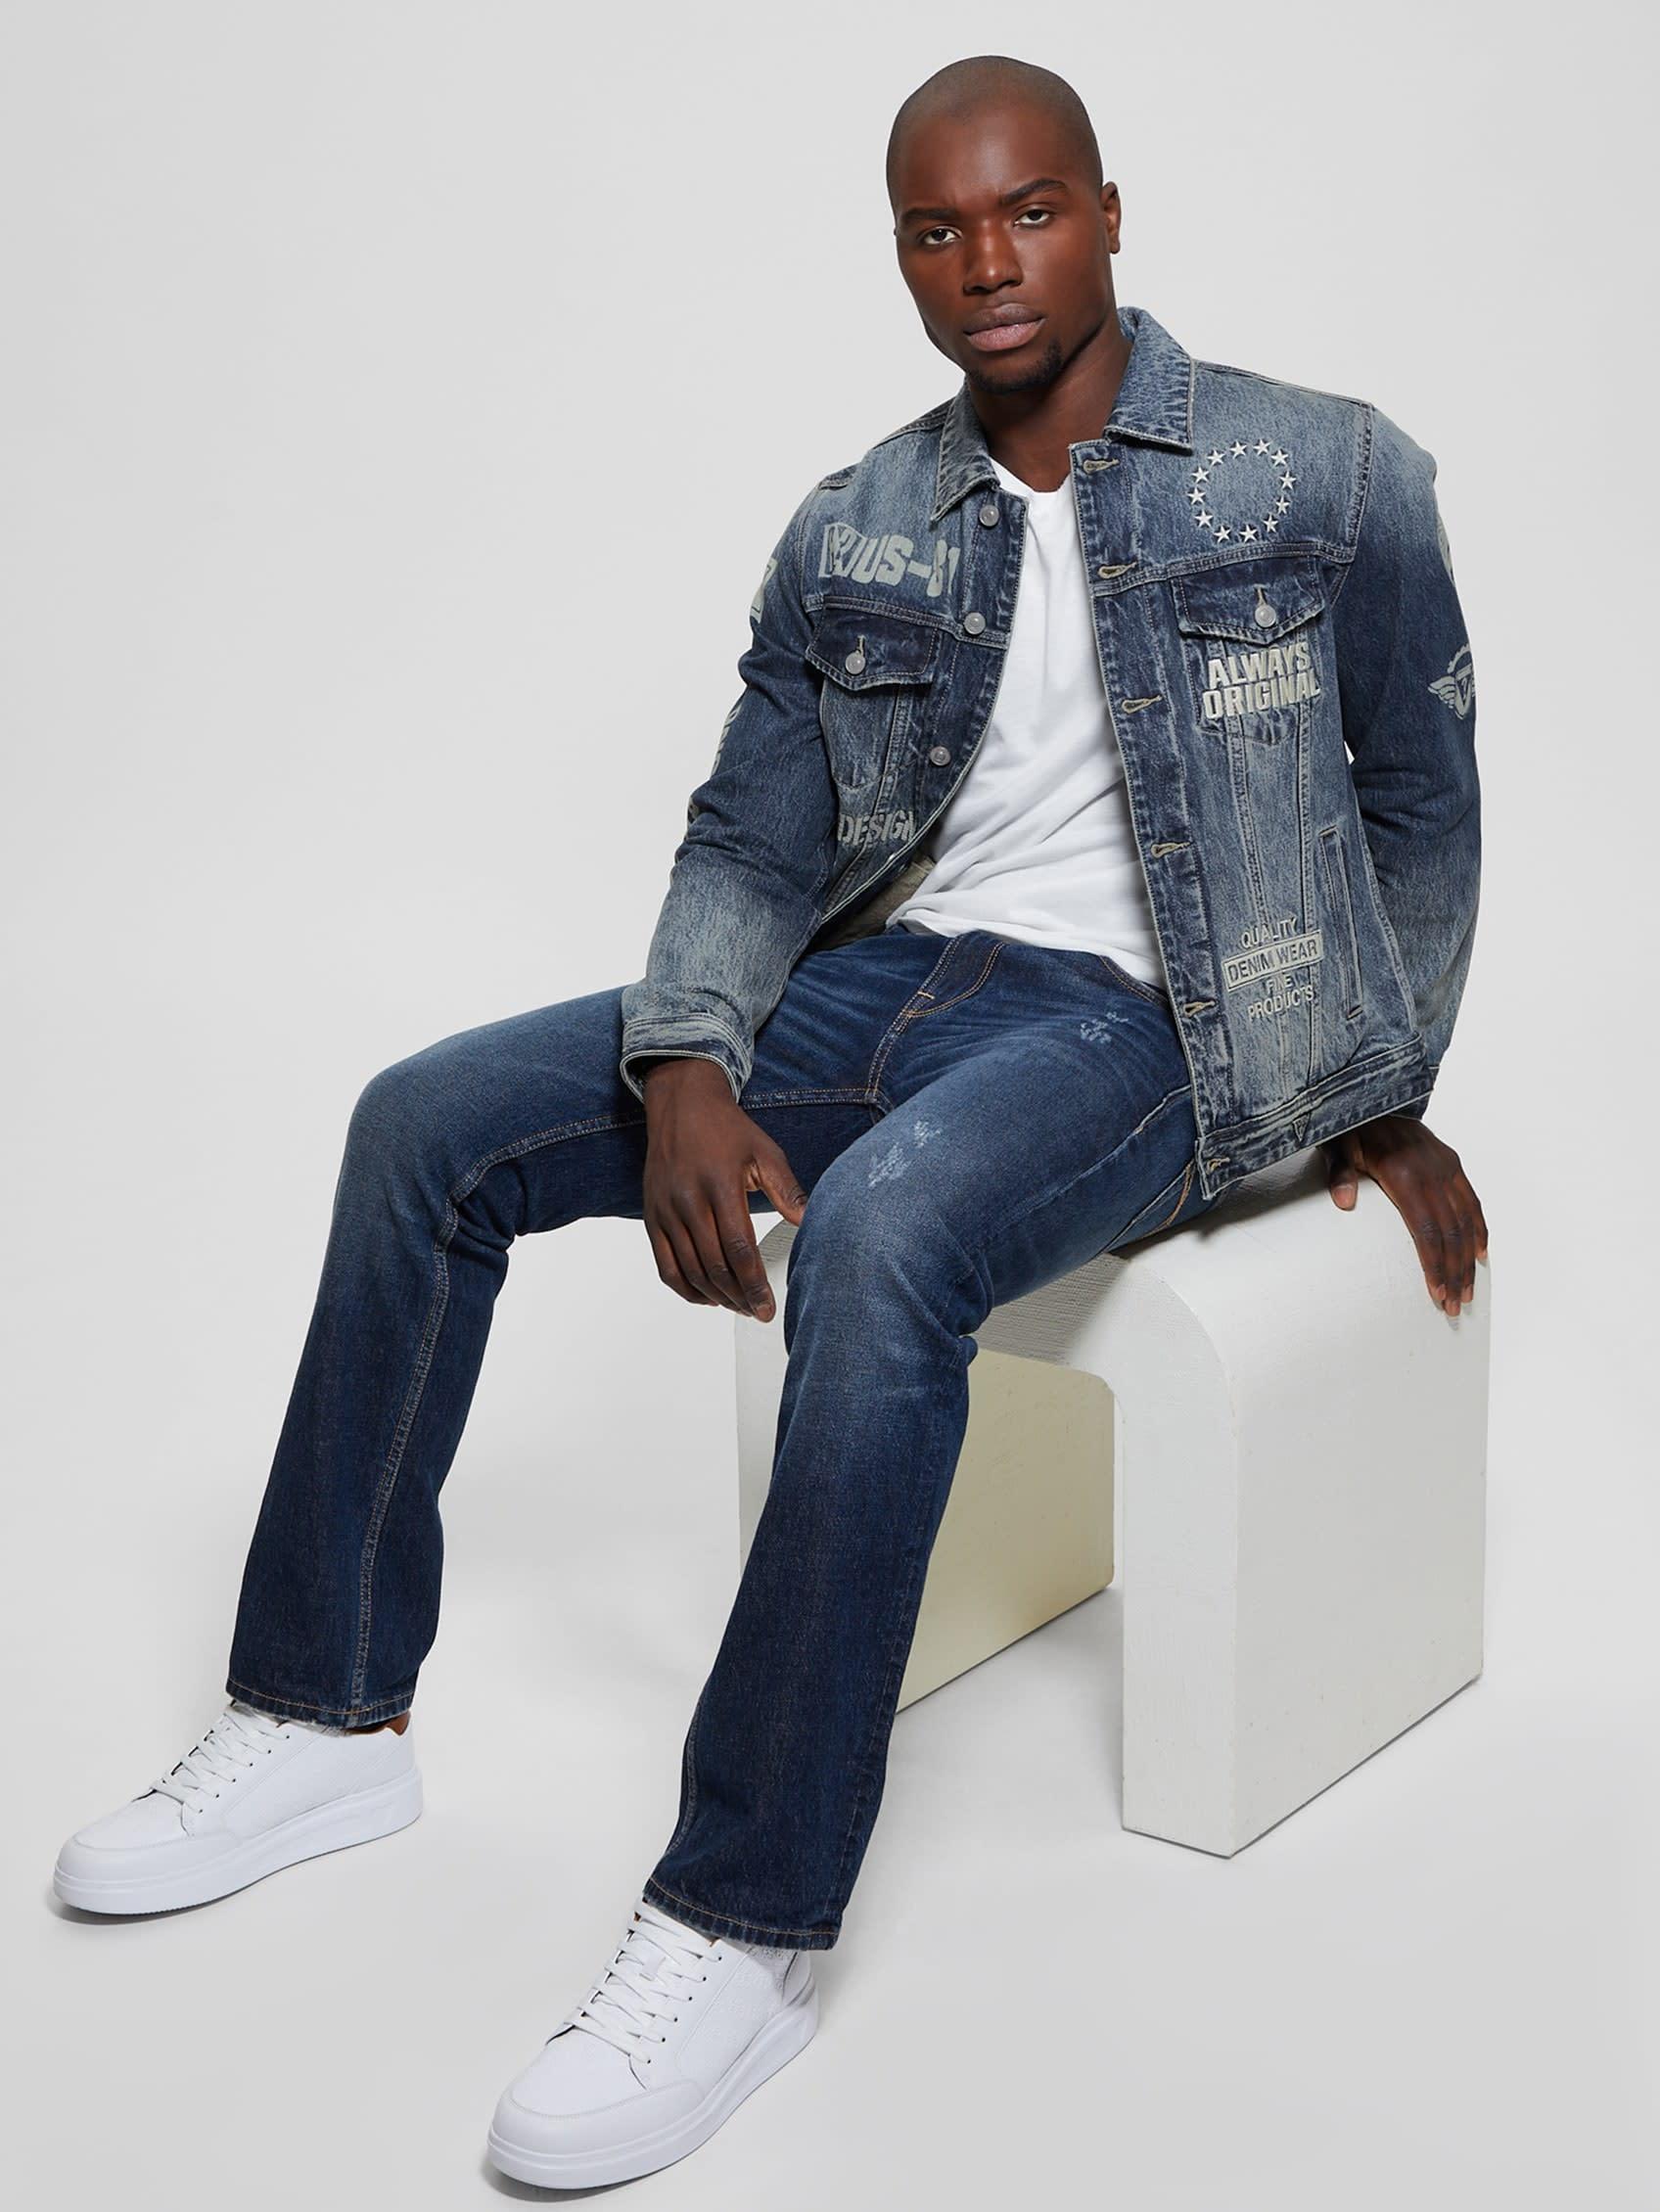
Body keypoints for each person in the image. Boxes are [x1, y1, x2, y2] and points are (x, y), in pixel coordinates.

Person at [52, 52, 1487, 2191]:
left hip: (1159, 1029)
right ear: (898, 253)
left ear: (1107, 211)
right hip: (892, 978)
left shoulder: (1328, 472)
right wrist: (691, 1063)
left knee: (886, 1236)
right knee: (421, 1123)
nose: (987, 262)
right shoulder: (858, 524)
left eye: (1028, 212)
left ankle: (744, 1920)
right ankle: (318, 1711)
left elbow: (1420, 802)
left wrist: (1380, 1094)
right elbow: (751, 833)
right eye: (937, 228)